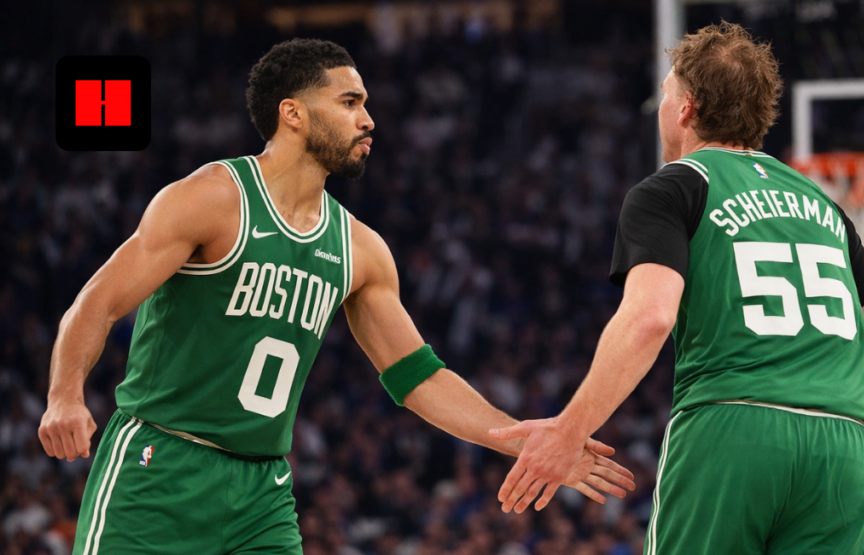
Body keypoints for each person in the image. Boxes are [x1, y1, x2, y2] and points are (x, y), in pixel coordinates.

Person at [37, 38, 634, 555]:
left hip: (261, 489)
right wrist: (65, 394)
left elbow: (417, 376)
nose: (368, 119)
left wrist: (516, 436)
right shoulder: (212, 198)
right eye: (350, 103)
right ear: (292, 113)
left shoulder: (360, 248)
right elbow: (97, 301)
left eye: (366, 104)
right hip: (160, 465)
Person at [490, 22, 864, 555]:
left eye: (666, 93)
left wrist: (568, 429)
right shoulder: (824, 206)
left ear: (687, 106)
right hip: (844, 448)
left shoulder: (674, 187)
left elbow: (650, 317)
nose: (663, 106)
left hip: (735, 425)